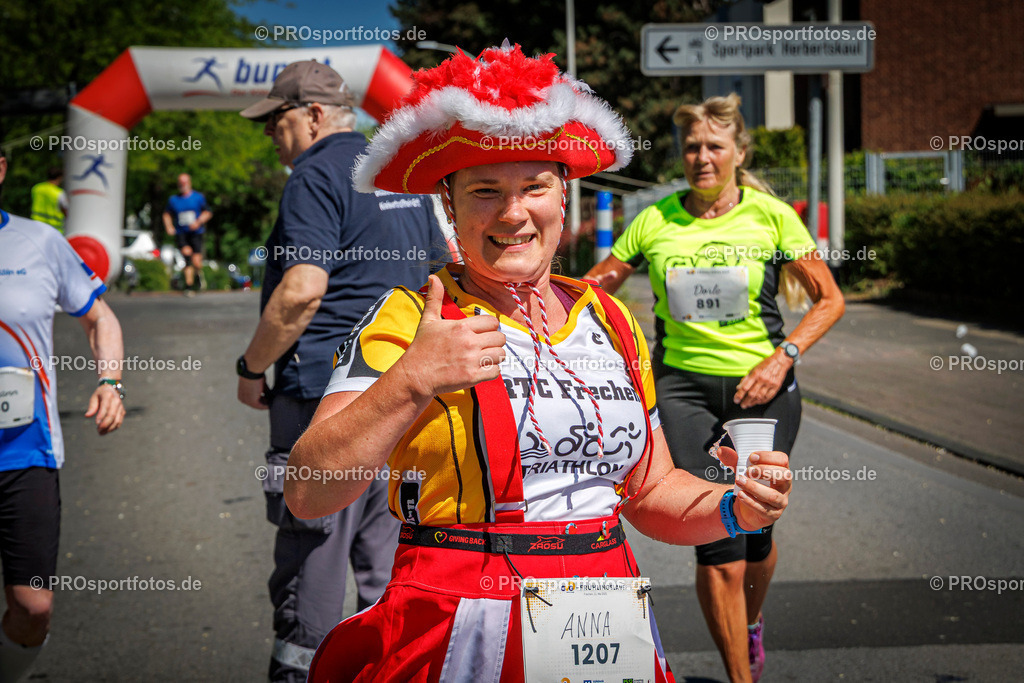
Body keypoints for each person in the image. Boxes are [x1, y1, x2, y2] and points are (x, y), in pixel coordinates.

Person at [284, 44, 793, 683]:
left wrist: (735, 508)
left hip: (606, 620)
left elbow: (649, 490)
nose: (514, 212)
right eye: (485, 191)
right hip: (463, 624)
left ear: (563, 195)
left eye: (534, 187)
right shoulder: (410, 318)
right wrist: (412, 380)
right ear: (449, 206)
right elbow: (308, 492)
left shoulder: (610, 318)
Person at [585, 94, 845, 683]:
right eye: (691, 147)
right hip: (682, 391)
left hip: (765, 392)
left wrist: (783, 358)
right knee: (719, 539)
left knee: (758, 533)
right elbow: (596, 287)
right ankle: (740, 676)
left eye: (714, 146)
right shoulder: (655, 220)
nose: (702, 157)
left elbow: (830, 300)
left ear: (739, 153)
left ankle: (749, 622)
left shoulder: (771, 217)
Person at [236, 60, 448, 683]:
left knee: (315, 554)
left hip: (321, 395)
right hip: (399, 393)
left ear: (313, 115)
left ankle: (302, 673)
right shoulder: (396, 170)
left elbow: (302, 289)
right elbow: (439, 273)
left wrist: (251, 366)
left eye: (276, 120)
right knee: (386, 558)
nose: (271, 134)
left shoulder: (313, 174)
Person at [0, 145, 126, 682]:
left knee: (33, 608)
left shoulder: (40, 242)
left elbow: (101, 319)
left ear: (0, 169)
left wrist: (110, 382)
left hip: (26, 452)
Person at [161, 173, 211, 294]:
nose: (182, 185)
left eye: (185, 182)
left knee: (196, 262)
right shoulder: (173, 200)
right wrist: (169, 226)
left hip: (196, 233)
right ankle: (189, 286)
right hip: (181, 233)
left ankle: (198, 274)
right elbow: (166, 214)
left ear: (189, 183)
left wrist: (198, 222)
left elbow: (208, 212)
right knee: (187, 256)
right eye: (180, 183)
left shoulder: (198, 197)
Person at [30, 166, 68, 232]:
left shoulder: (37, 188)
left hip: (37, 226)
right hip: (54, 228)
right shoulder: (59, 193)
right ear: (59, 178)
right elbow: (65, 210)